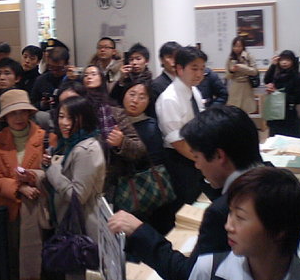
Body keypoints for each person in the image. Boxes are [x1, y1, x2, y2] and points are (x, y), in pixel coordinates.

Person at [108, 105, 264, 279]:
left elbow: (190, 275)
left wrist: (139, 231)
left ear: (219, 156)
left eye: (197, 157)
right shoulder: (271, 178)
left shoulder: (224, 211)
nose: (197, 165)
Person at [189, 166, 300, 280]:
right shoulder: (207, 271)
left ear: (279, 230)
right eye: (230, 212)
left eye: (240, 217)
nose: (228, 226)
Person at [0, 89, 57, 280]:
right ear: (5, 117)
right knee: (11, 262)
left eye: (22, 112)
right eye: (13, 113)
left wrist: (33, 177)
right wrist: (19, 187)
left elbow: (54, 175)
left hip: (37, 210)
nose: (18, 117)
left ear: (29, 113)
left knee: (38, 263)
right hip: (7, 212)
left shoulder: (46, 138)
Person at [43, 96, 106, 280]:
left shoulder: (86, 150)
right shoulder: (71, 144)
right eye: (61, 116)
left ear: (84, 118)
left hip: (84, 228)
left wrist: (52, 170)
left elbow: (77, 195)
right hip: (74, 224)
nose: (64, 122)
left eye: (71, 118)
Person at [155, 46, 213, 209]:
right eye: (194, 68)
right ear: (180, 69)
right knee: (186, 205)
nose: (199, 73)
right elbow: (178, 142)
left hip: (196, 154)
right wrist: (205, 161)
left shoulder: (194, 91)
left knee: (200, 201)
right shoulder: (169, 98)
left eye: (202, 68)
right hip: (180, 158)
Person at [81, 65, 146, 204]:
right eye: (86, 75)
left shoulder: (114, 112)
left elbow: (139, 148)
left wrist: (121, 142)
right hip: (81, 176)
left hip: (109, 179)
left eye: (93, 74)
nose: (89, 77)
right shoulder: (77, 110)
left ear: (102, 79)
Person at [121, 80, 173, 234]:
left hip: (140, 191)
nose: (135, 100)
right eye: (132, 94)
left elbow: (154, 161)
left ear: (149, 101)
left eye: (142, 97)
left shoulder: (150, 127)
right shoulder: (114, 120)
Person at [264, 50, 300, 137]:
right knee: (274, 138)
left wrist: (278, 93)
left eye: (288, 60)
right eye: (282, 60)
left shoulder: (297, 76)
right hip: (275, 112)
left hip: (288, 114)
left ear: (293, 62)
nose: (284, 62)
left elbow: (298, 99)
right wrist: (273, 65)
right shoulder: (277, 74)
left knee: (289, 138)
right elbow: (267, 80)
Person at [225, 36, 259, 114]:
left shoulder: (249, 56)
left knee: (246, 111)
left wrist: (241, 67)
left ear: (243, 46)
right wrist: (231, 71)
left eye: (239, 46)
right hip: (235, 86)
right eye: (235, 46)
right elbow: (227, 76)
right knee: (234, 111)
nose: (237, 48)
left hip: (246, 85)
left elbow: (254, 71)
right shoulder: (230, 58)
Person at [30, 46, 70, 111]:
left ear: (66, 64)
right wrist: (42, 104)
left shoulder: (73, 79)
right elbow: (32, 103)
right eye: (51, 67)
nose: (54, 71)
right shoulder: (41, 80)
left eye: (58, 68)